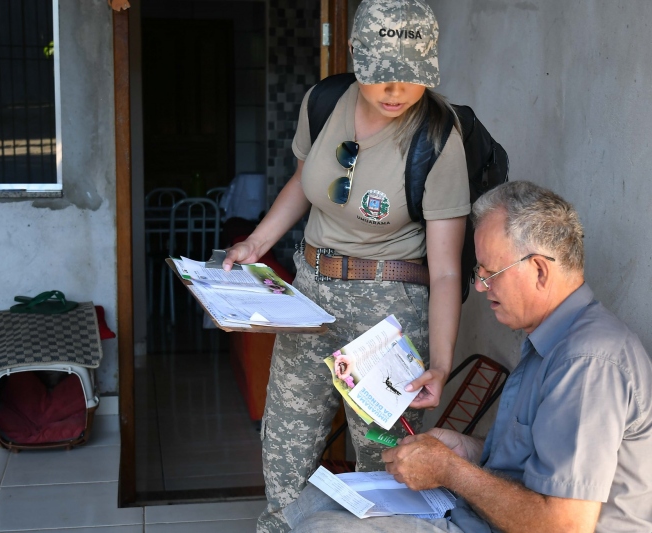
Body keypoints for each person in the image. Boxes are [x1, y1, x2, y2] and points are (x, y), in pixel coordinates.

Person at [284, 181, 652, 533]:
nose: (482, 287)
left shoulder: (588, 363)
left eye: (490, 272)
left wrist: (452, 471)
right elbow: (537, 459)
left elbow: (563, 525)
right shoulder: (554, 340)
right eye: (479, 273)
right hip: (486, 518)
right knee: (315, 502)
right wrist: (469, 451)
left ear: (538, 270)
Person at [222, 1, 469, 531]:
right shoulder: (323, 102)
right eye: (383, 74)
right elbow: (303, 184)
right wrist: (257, 242)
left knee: (383, 471)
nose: (396, 91)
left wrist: (442, 366)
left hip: (388, 312)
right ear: (357, 55)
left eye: (411, 76)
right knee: (285, 452)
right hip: (309, 294)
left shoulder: (437, 137)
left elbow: (447, 270)